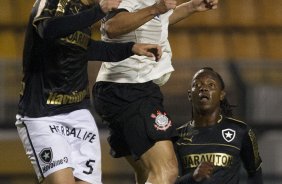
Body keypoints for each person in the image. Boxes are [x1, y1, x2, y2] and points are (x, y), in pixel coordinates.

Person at [15, 0, 162, 183]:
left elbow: (85, 48)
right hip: (42, 114)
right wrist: (98, 11)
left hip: (78, 113)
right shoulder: (53, 2)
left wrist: (130, 48)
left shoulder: (84, 11)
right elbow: (48, 30)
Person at [92, 0, 219, 183]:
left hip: (125, 88)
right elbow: (111, 26)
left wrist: (191, 7)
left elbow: (156, 19)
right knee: (166, 170)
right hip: (129, 88)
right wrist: (155, 8)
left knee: (148, 172)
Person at [175, 67, 263, 184]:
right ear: (190, 95)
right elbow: (170, 181)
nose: (204, 88)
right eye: (197, 84)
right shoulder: (176, 136)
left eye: (211, 85)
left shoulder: (241, 131)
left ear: (221, 95)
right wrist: (193, 177)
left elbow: (255, 172)